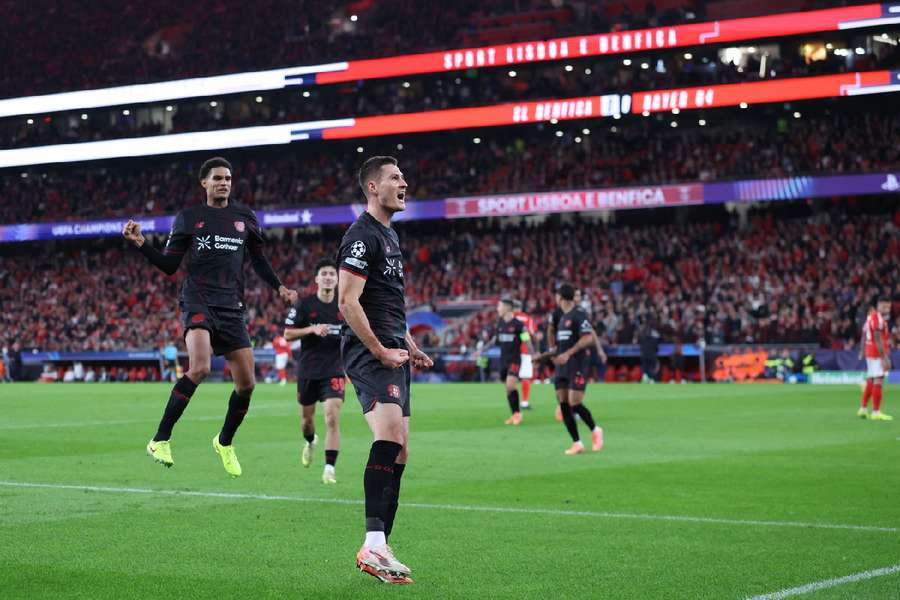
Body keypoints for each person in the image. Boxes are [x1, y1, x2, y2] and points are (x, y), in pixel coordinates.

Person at [123, 156, 297, 477]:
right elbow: (169, 266)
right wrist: (142, 244)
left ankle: (224, 442)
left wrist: (280, 287)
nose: (224, 183)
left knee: (247, 385)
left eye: (228, 178)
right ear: (204, 183)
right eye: (217, 178)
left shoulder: (245, 217)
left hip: (232, 306)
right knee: (200, 366)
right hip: (198, 300)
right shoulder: (190, 218)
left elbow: (259, 260)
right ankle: (160, 438)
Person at [337, 156, 432, 584]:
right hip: (367, 352)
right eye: (396, 177)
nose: (405, 182)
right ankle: (372, 543)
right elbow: (347, 302)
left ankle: (381, 547)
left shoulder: (389, 237)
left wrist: (409, 346)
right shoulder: (361, 236)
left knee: (402, 448)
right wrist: (378, 349)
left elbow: (390, 305)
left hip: (393, 349)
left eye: (403, 175)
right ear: (372, 187)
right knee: (389, 437)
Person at [284, 258, 345, 484]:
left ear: (337, 279)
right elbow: (287, 334)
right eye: (325, 273)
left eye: (332, 273)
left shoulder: (344, 305)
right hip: (308, 370)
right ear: (317, 279)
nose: (328, 277)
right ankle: (310, 442)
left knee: (331, 417)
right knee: (307, 422)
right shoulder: (304, 305)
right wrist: (312, 329)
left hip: (335, 370)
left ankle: (329, 467)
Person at [552, 284, 604, 455]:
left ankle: (596, 430)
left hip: (577, 364)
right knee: (564, 403)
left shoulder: (579, 315)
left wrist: (569, 353)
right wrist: (545, 356)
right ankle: (577, 443)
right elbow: (559, 343)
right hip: (562, 365)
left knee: (575, 402)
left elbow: (588, 338)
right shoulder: (561, 318)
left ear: (561, 297)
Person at [478, 298, 534, 425]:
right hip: (503, 361)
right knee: (508, 389)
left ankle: (518, 414)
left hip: (514, 360)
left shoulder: (518, 325)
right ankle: (515, 414)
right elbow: (494, 340)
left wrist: (533, 354)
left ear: (507, 308)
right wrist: (482, 349)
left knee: (510, 385)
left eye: (499, 306)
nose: (497, 309)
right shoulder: (500, 324)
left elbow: (527, 339)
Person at [858, 298, 893, 421]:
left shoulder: (870, 318)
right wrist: (884, 357)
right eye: (884, 307)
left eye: (888, 307)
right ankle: (876, 412)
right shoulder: (877, 319)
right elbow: (878, 339)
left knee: (871, 379)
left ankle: (863, 408)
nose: (887, 309)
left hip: (870, 351)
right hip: (876, 353)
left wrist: (862, 350)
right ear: (878, 306)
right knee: (878, 379)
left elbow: (864, 334)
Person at [512, 299, 537, 409]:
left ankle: (512, 403)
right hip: (525, 351)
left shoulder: (509, 318)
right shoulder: (527, 318)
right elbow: (532, 334)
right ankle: (525, 402)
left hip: (512, 352)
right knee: (525, 377)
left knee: (511, 377)